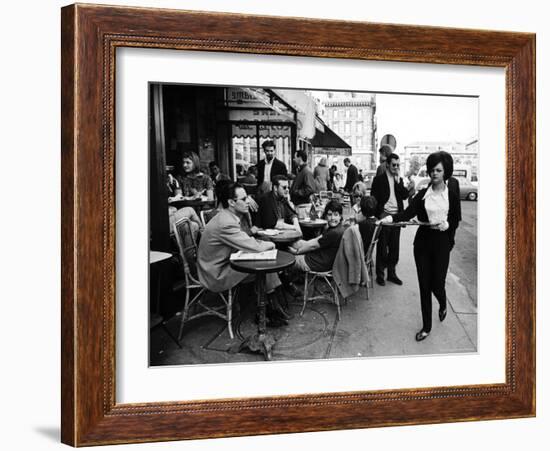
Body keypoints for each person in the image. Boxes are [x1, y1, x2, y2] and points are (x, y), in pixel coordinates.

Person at [380, 151, 461, 342]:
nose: (434, 173)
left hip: (441, 244)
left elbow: (455, 219)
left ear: (445, 172)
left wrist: (447, 225)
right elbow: (407, 213)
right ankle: (426, 327)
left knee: (437, 285)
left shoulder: (452, 194)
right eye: (432, 170)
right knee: (425, 286)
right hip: (423, 244)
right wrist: (389, 218)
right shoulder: (424, 193)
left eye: (438, 170)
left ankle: (442, 303)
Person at [197, 182, 287, 326]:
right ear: (231, 202)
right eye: (244, 199)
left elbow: (245, 240)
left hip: (222, 263)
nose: (248, 202)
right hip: (215, 273)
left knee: (263, 263)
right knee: (263, 263)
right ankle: (270, 307)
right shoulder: (226, 222)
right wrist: (272, 244)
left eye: (248, 198)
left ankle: (270, 307)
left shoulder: (228, 216)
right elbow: (253, 246)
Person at [370, 153, 409, 286]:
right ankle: (380, 275)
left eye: (398, 165)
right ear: (387, 164)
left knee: (394, 248)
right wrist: (378, 216)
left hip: (396, 217)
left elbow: (404, 196)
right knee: (382, 247)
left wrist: (398, 183)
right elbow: (373, 199)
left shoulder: (399, 179)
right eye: (394, 165)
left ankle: (392, 274)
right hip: (384, 215)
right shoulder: (379, 180)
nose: (396, 167)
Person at [288, 200, 345, 273]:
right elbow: (317, 240)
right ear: (326, 216)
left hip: (317, 264)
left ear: (340, 216)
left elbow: (313, 246)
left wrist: (297, 252)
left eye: (336, 215)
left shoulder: (334, 233)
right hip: (323, 261)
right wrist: (301, 244)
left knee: (287, 260)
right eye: (330, 214)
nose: (332, 218)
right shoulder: (339, 228)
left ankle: (288, 282)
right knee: (296, 244)